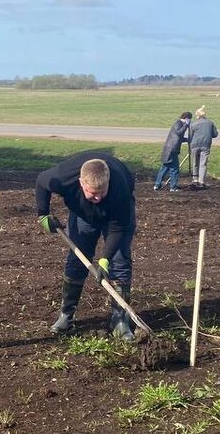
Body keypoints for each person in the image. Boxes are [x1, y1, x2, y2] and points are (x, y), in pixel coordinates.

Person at [35, 151, 138, 340]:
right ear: (81, 183)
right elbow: (42, 181)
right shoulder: (63, 177)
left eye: (101, 192)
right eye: (93, 193)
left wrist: (105, 259)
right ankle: (66, 315)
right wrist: (43, 214)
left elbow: (117, 229)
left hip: (116, 218)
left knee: (120, 261)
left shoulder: (120, 188)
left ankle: (120, 321)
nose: (98, 198)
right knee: (77, 259)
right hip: (83, 215)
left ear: (108, 182)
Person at [154, 112, 192, 192]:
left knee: (165, 168)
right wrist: (186, 124)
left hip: (169, 149)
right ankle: (173, 187)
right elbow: (179, 132)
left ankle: (157, 185)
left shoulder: (179, 124)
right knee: (174, 169)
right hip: (172, 150)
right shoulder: (178, 123)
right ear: (187, 118)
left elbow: (178, 137)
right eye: (190, 119)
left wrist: (187, 140)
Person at [188, 107, 218, 189]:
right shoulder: (210, 123)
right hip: (206, 145)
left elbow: (190, 136)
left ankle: (195, 179)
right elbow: (215, 134)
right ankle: (201, 181)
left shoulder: (193, 124)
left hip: (194, 145)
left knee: (195, 162)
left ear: (197, 115)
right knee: (203, 163)